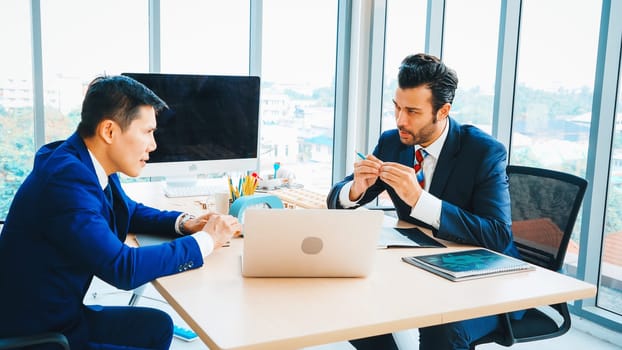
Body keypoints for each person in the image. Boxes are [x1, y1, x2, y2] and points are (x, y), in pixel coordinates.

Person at [0, 75, 241, 350]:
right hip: (39, 335)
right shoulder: (66, 181)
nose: (153, 145)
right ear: (110, 131)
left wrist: (184, 223)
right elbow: (122, 268)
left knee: (157, 326)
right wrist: (206, 241)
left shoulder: (85, 160)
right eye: (147, 132)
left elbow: (127, 210)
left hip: (62, 316)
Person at [327, 53, 522, 350]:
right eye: (397, 107)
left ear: (442, 111)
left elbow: (497, 234)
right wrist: (355, 188)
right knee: (351, 302)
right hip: (419, 269)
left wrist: (420, 200)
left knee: (440, 326)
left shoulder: (484, 152)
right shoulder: (394, 141)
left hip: (482, 283)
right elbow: (336, 200)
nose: (400, 120)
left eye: (413, 112)